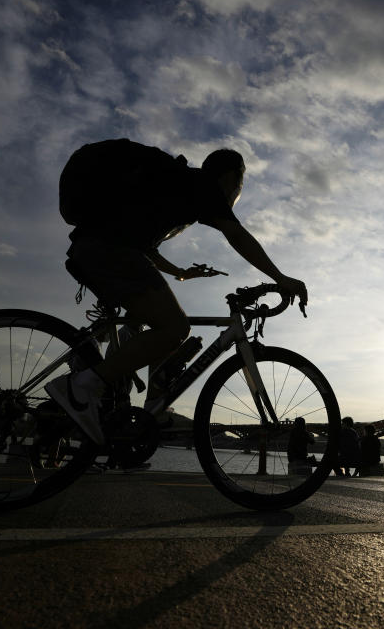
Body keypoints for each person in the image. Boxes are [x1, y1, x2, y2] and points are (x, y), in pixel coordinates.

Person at [45, 139, 308, 446]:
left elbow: (146, 251)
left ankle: (104, 403)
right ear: (232, 177)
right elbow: (236, 234)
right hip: (106, 250)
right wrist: (281, 277)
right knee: (173, 328)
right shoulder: (203, 185)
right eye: (241, 183)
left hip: (96, 248)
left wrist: (181, 274)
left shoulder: (173, 189)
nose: (237, 192)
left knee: (160, 325)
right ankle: (81, 388)